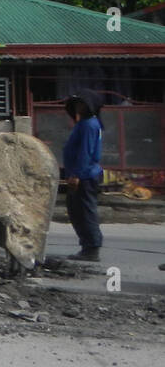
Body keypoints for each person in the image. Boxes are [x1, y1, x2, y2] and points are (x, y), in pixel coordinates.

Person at [62, 89, 104, 262]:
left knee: (85, 212)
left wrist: (76, 175)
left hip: (85, 176)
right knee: (75, 211)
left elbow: (85, 153)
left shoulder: (89, 125)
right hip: (79, 173)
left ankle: (92, 248)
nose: (79, 107)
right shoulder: (84, 124)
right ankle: (87, 245)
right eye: (77, 104)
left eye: (82, 104)